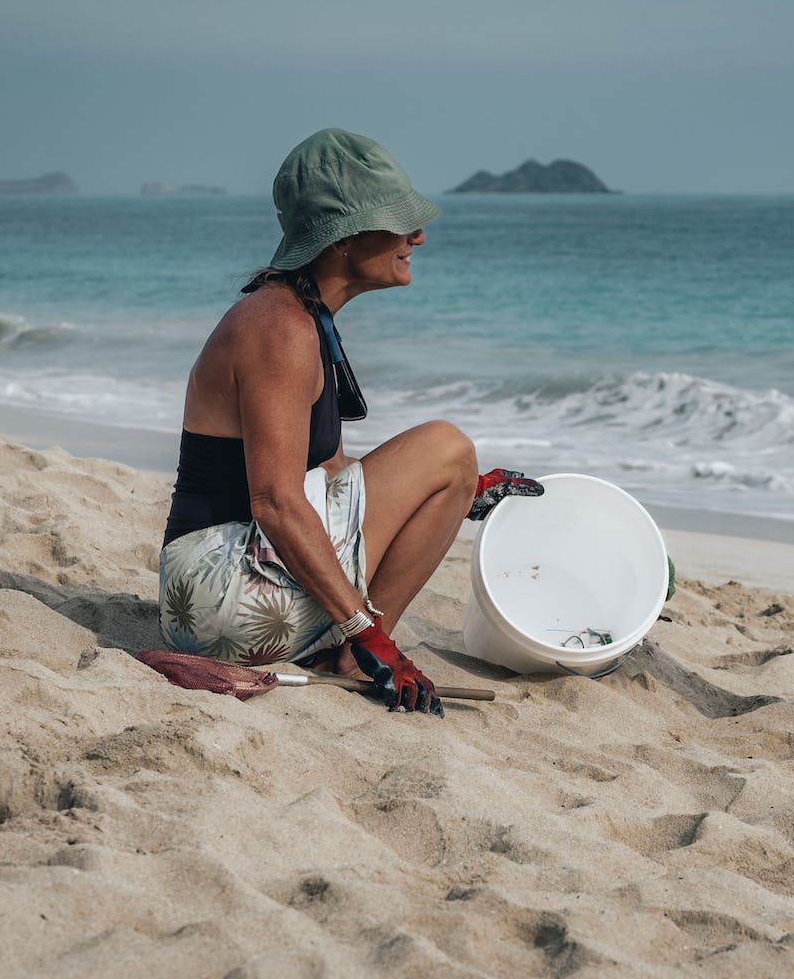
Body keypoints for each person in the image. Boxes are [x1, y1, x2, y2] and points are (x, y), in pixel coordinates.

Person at [157, 128, 542, 717]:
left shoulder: (305, 318)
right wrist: (371, 635)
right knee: (447, 445)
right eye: (398, 221)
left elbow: (333, 474)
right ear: (340, 239)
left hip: (225, 587)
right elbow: (276, 503)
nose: (417, 236)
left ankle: (346, 644)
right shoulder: (279, 328)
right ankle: (351, 649)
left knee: (452, 465)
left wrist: (458, 491)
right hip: (219, 592)